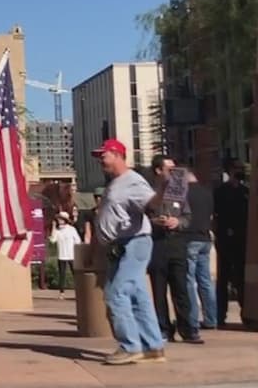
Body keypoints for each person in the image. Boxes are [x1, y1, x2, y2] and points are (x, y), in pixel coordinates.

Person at [92, 139, 167, 365]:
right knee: (138, 296)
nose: (100, 160)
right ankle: (153, 347)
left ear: (116, 154)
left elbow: (151, 204)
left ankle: (130, 346)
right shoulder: (116, 182)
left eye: (103, 156)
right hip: (121, 245)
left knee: (116, 293)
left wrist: (163, 186)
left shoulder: (133, 181)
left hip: (134, 243)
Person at [148, 155, 199, 343]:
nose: (173, 173)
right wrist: (156, 222)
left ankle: (187, 329)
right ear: (158, 171)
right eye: (169, 169)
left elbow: (187, 217)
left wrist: (178, 222)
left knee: (181, 289)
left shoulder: (179, 193)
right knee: (159, 291)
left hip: (177, 244)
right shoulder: (149, 193)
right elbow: (143, 218)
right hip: (157, 245)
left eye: (174, 169)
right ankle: (164, 328)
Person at [214, 161, 248, 326]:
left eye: (241, 169)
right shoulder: (221, 192)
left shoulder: (246, 192)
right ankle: (220, 315)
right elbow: (216, 216)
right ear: (229, 171)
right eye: (237, 169)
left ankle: (246, 312)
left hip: (243, 242)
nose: (240, 171)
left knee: (242, 279)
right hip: (226, 241)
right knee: (224, 279)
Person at [184, 170, 217, 330]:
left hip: (189, 238)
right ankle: (211, 319)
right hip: (205, 238)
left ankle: (193, 320)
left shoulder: (184, 193)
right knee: (206, 281)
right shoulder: (206, 192)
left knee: (189, 281)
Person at [49, 212, 82, 297]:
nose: (59, 220)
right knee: (62, 274)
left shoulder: (71, 229)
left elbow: (78, 241)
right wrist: (53, 227)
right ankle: (61, 292)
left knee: (75, 273)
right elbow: (52, 240)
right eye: (58, 219)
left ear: (65, 220)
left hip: (71, 255)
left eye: (61, 219)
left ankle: (79, 290)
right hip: (61, 255)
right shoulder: (57, 230)